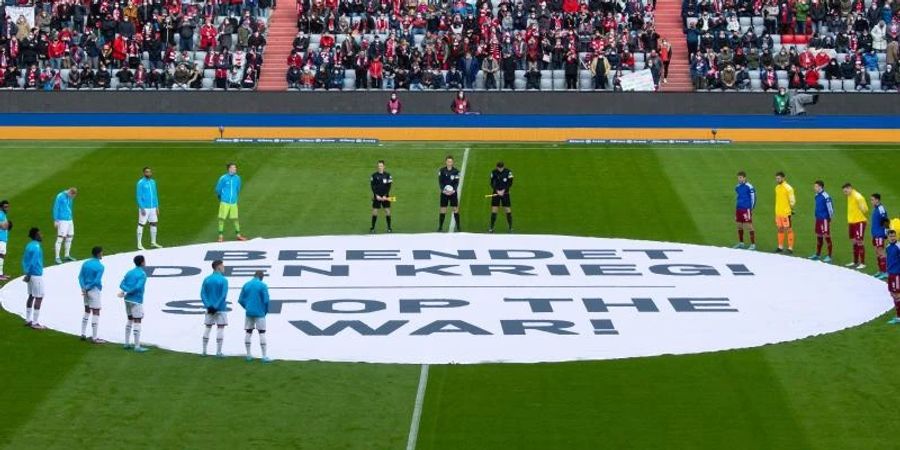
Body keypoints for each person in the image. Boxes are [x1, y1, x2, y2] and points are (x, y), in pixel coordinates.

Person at [238, 270, 271, 362]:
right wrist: (265, 311)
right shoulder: (262, 285)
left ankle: (248, 355)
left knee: (248, 332)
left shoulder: (246, 284)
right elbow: (266, 300)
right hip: (259, 313)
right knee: (262, 333)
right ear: (261, 277)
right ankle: (264, 356)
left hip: (249, 312)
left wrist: (247, 306)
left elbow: (240, 300)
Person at [118, 255, 149, 352]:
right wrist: (128, 291)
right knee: (137, 321)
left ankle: (126, 343)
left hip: (127, 300)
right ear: (142, 262)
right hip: (136, 300)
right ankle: (137, 346)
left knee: (129, 319)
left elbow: (121, 284)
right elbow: (138, 287)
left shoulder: (129, 272)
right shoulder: (142, 274)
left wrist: (126, 291)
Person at [201, 259, 229, 357]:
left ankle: (204, 351)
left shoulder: (207, 279)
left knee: (208, 328)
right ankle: (218, 352)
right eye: (223, 266)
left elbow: (202, 294)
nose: (224, 268)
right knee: (220, 328)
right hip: (220, 308)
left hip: (209, 309)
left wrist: (209, 306)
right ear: (218, 267)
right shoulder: (224, 280)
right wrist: (216, 306)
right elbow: (223, 295)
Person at [78, 246, 105, 343]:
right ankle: (94, 337)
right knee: (96, 312)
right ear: (98, 254)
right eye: (102, 252)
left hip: (85, 290)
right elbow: (96, 280)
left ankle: (83, 333)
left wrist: (83, 288)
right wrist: (88, 288)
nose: (103, 254)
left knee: (87, 310)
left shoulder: (85, 263)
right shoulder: (100, 267)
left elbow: (80, 277)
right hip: (93, 290)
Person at [215, 163, 246, 242]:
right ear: (229, 169)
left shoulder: (237, 178)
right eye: (233, 168)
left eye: (235, 168)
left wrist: (234, 197)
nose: (235, 169)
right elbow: (218, 189)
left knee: (236, 218)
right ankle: (220, 236)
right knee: (222, 219)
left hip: (233, 202)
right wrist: (221, 197)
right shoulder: (223, 178)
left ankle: (238, 235)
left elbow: (238, 188)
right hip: (225, 202)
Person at [842, 183, 869, 270]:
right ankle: (855, 261)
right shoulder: (849, 195)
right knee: (854, 241)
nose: (845, 193)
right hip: (852, 222)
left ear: (850, 188)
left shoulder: (858, 196)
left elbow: (865, 209)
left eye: (846, 191)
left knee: (859, 241)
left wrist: (862, 208)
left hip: (859, 222)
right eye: (844, 192)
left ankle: (863, 263)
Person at [22, 228, 45, 329]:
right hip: (35, 274)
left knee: (31, 296)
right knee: (39, 297)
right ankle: (35, 322)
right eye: (40, 234)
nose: (42, 235)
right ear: (36, 235)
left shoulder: (29, 245)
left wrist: (26, 272)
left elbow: (24, 260)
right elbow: (33, 262)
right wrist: (29, 274)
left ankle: (28, 319)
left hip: (30, 274)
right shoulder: (36, 247)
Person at [136, 167, 162, 250]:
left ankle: (153, 242)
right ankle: (139, 244)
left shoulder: (153, 182)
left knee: (154, 223)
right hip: (145, 207)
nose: (148, 173)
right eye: (147, 172)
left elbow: (155, 195)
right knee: (141, 224)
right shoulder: (140, 183)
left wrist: (157, 206)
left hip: (153, 207)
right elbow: (138, 196)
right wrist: (142, 207)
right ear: (144, 173)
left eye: (150, 172)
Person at [809, 180, 834, 262]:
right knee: (819, 235)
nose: (814, 188)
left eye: (816, 186)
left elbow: (830, 208)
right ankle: (817, 254)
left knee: (826, 235)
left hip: (824, 219)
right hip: (818, 219)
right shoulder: (816, 195)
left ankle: (829, 256)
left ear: (820, 187)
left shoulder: (826, 196)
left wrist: (829, 218)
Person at [52, 187, 78, 264]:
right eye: (72, 196)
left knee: (70, 236)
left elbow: (70, 207)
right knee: (60, 238)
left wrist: (71, 217)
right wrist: (56, 220)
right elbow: (55, 208)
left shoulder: (70, 198)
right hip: (62, 220)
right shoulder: (60, 196)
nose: (72, 198)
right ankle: (57, 257)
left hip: (69, 220)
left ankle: (67, 255)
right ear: (70, 192)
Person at [437, 155, 461, 232]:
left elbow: (457, 182)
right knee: (443, 209)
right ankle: (440, 227)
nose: (449, 163)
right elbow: (440, 182)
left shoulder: (456, 171)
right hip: (444, 193)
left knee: (455, 209)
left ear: (452, 162)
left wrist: (453, 190)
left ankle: (458, 227)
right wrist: (443, 190)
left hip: (453, 193)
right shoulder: (442, 171)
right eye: (448, 161)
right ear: (446, 162)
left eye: (450, 161)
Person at [774, 171, 796, 254]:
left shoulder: (788, 188)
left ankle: (790, 248)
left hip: (786, 213)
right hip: (778, 212)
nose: (777, 180)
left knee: (788, 229)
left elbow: (792, 200)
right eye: (776, 178)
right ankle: (780, 246)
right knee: (780, 229)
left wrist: (791, 209)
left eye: (779, 178)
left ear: (783, 178)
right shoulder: (777, 187)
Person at [489, 161, 514, 233]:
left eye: (501, 168)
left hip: (505, 194)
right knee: (494, 210)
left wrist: (504, 190)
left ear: (504, 166)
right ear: (497, 167)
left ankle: (510, 227)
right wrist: (497, 191)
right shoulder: (493, 172)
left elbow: (510, 183)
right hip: (496, 194)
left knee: (508, 210)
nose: (500, 169)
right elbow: (492, 183)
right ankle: (491, 227)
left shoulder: (508, 172)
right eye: (499, 168)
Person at [734, 171, 756, 250]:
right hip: (739, 208)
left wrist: (751, 208)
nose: (739, 179)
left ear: (744, 178)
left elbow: (753, 198)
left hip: (746, 209)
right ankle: (741, 243)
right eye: (738, 178)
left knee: (749, 225)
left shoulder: (749, 186)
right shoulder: (737, 187)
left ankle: (753, 244)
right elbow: (738, 197)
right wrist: (736, 207)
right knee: (739, 225)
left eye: (740, 178)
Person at [370, 160, 393, 233]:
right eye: (379, 166)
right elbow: (372, 186)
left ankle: (389, 228)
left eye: (381, 166)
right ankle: (372, 228)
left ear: (384, 166)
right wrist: (376, 195)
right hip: (377, 197)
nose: (380, 167)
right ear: (377, 166)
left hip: (385, 197)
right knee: (375, 212)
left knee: (387, 211)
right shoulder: (373, 176)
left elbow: (389, 186)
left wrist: (385, 195)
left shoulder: (388, 175)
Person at [870, 194, 889, 279]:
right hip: (875, 234)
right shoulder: (876, 208)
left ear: (877, 200)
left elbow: (885, 221)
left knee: (881, 252)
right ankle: (880, 270)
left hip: (880, 234)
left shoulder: (881, 209)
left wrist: (885, 234)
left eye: (872, 200)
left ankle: (885, 272)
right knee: (877, 252)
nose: (871, 201)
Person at [886, 229, 900, 324]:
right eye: (891, 236)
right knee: (892, 293)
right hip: (891, 273)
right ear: (888, 237)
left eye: (894, 236)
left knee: (897, 294)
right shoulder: (887, 247)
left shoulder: (898, 247)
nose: (892, 238)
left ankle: (899, 317)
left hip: (897, 274)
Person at [0, 200, 11, 281]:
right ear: (1, 207)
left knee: (2, 255)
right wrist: (5, 225)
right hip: (1, 238)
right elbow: (3, 226)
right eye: (5, 207)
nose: (7, 208)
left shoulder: (3, 214)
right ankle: (0, 275)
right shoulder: (0, 214)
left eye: (8, 207)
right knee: (1, 255)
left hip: (3, 238)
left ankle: (1, 273)